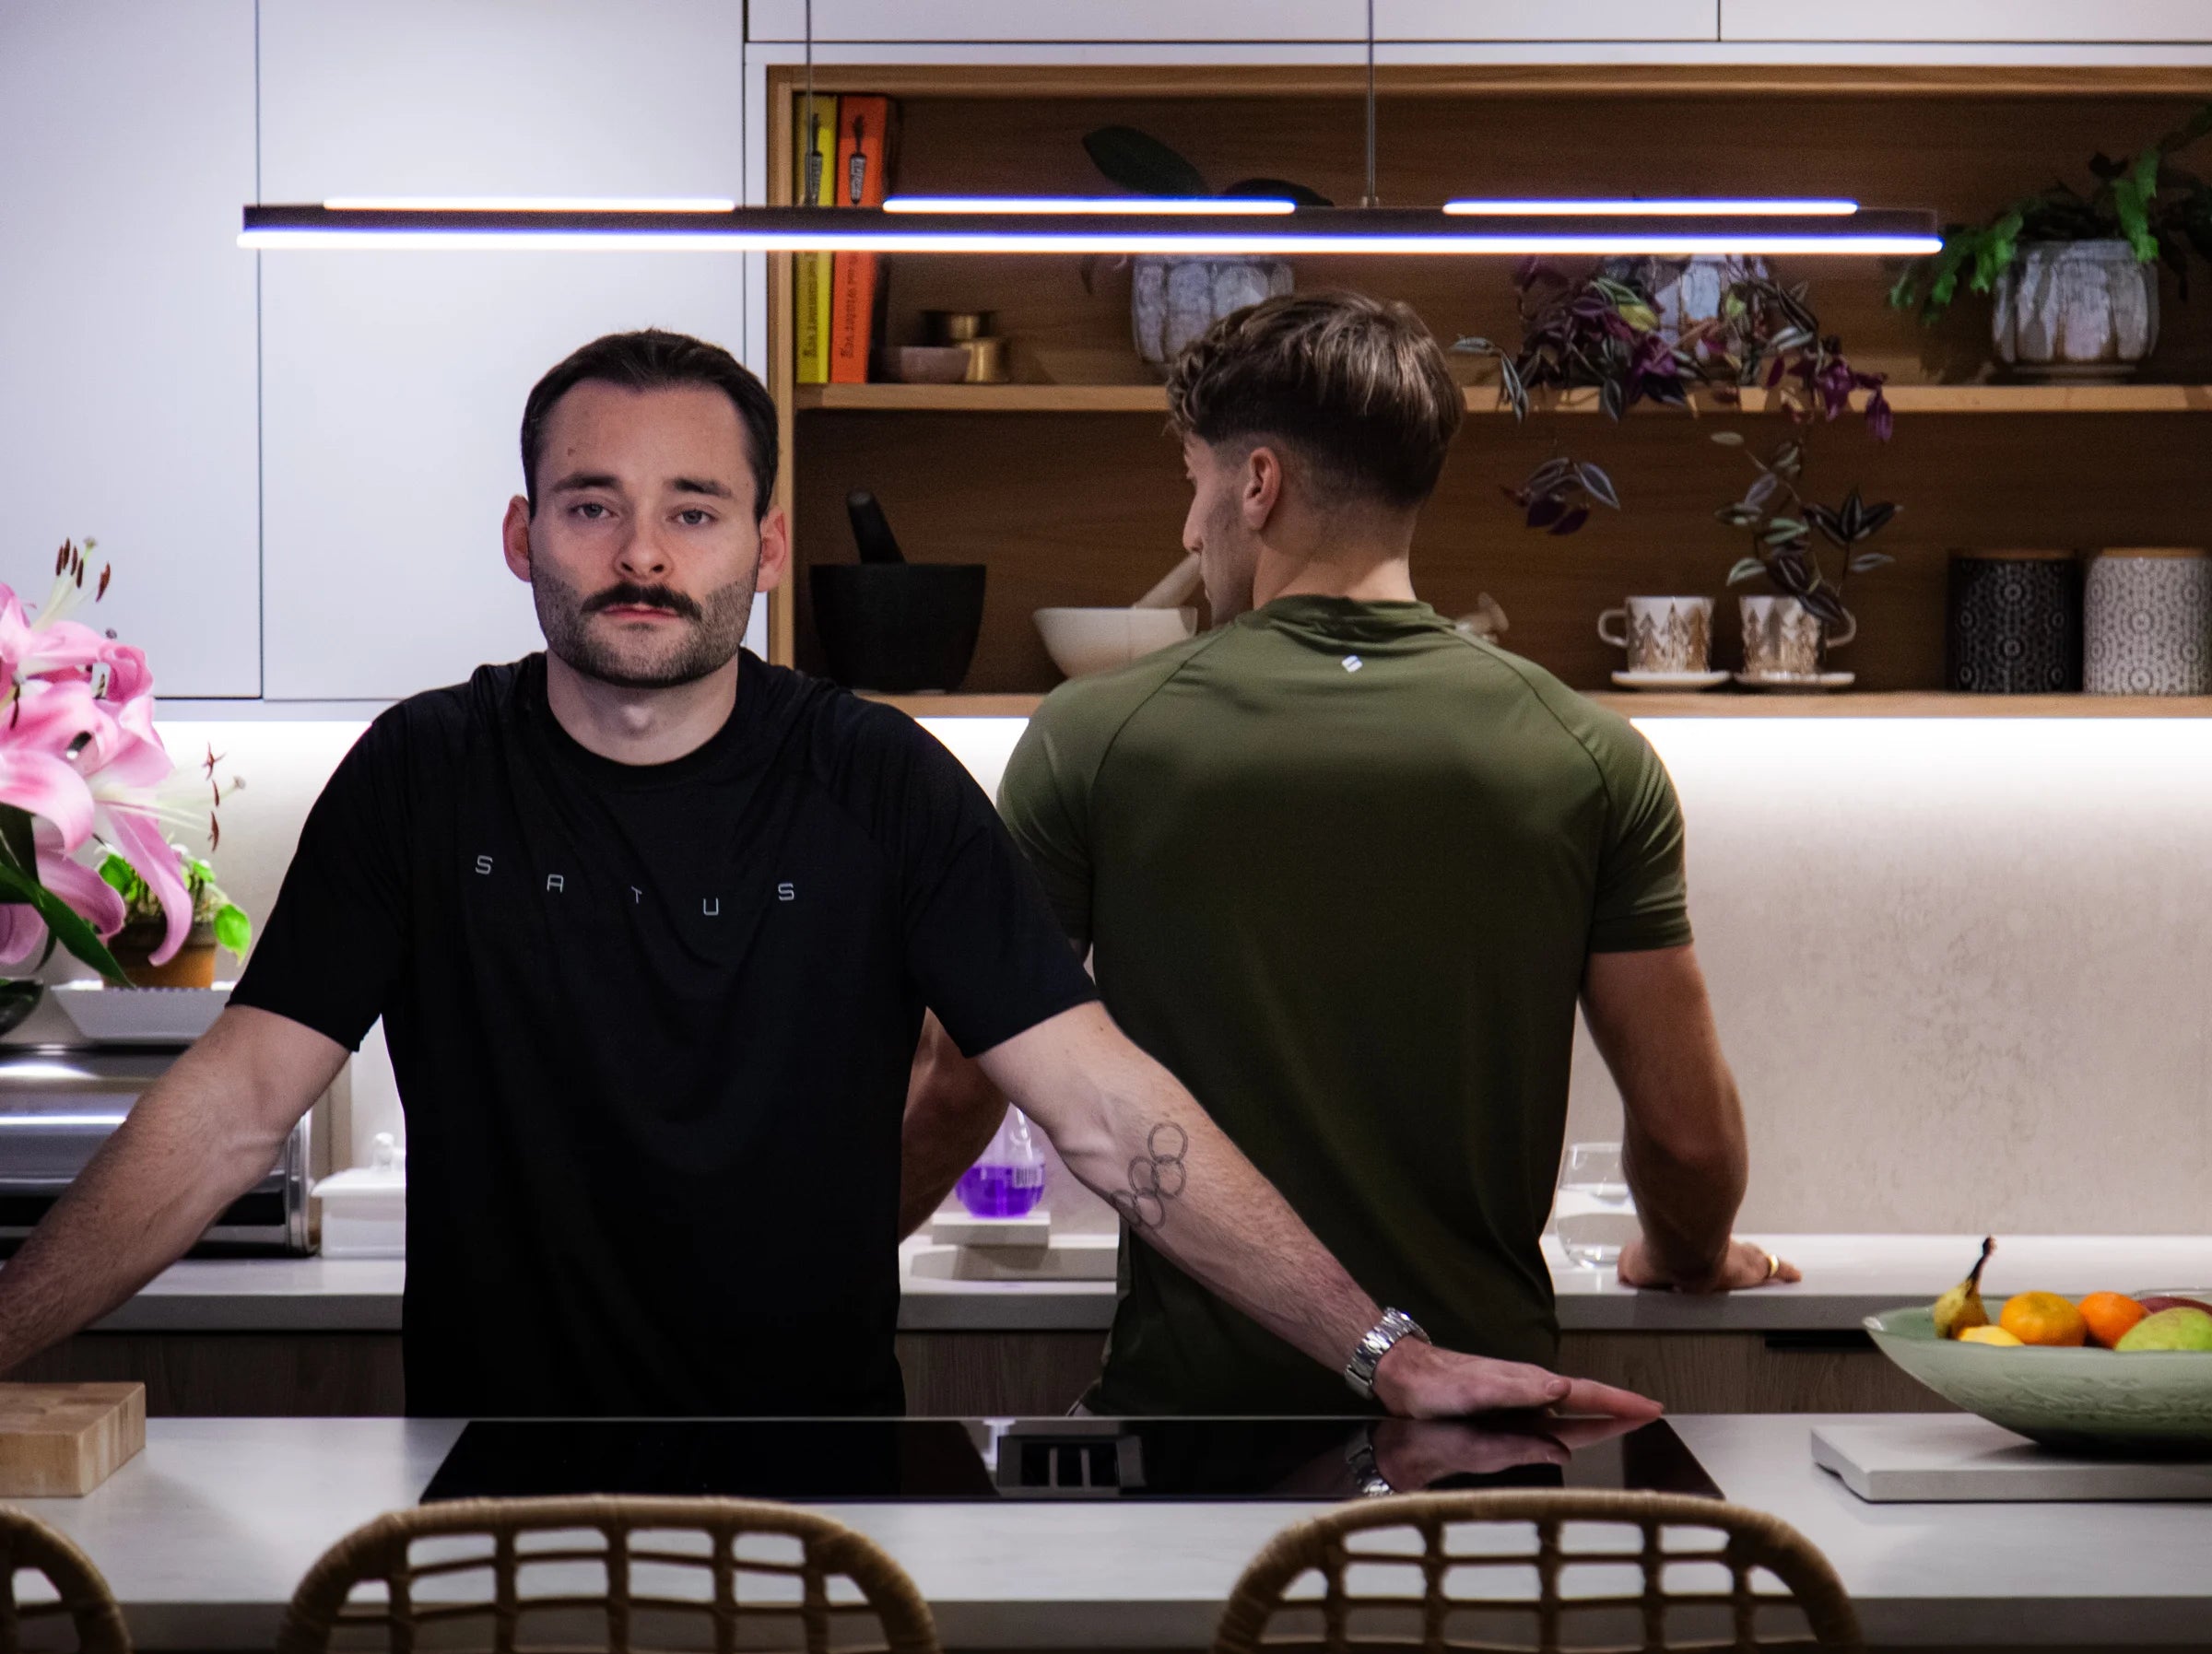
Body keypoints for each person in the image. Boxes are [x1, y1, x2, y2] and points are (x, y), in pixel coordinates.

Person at [0, 326, 1662, 1425]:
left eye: (694, 511)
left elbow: (1103, 1110)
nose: (642, 554)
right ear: (523, 536)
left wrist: (1388, 1357)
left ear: (765, 550)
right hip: (487, 1490)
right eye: (592, 506)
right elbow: (232, 1108)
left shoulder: (878, 783)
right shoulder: (424, 778)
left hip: (822, 1506)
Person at [914, 292, 1799, 1417]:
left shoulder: (1096, 735)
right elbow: (1682, 1133)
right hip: (1487, 1417)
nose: (1190, 534)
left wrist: (826, 1259)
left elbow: (958, 1082)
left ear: (1258, 484)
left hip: (1197, 1425)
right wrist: (1689, 1256)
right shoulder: (1587, 753)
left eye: (1195, 485)